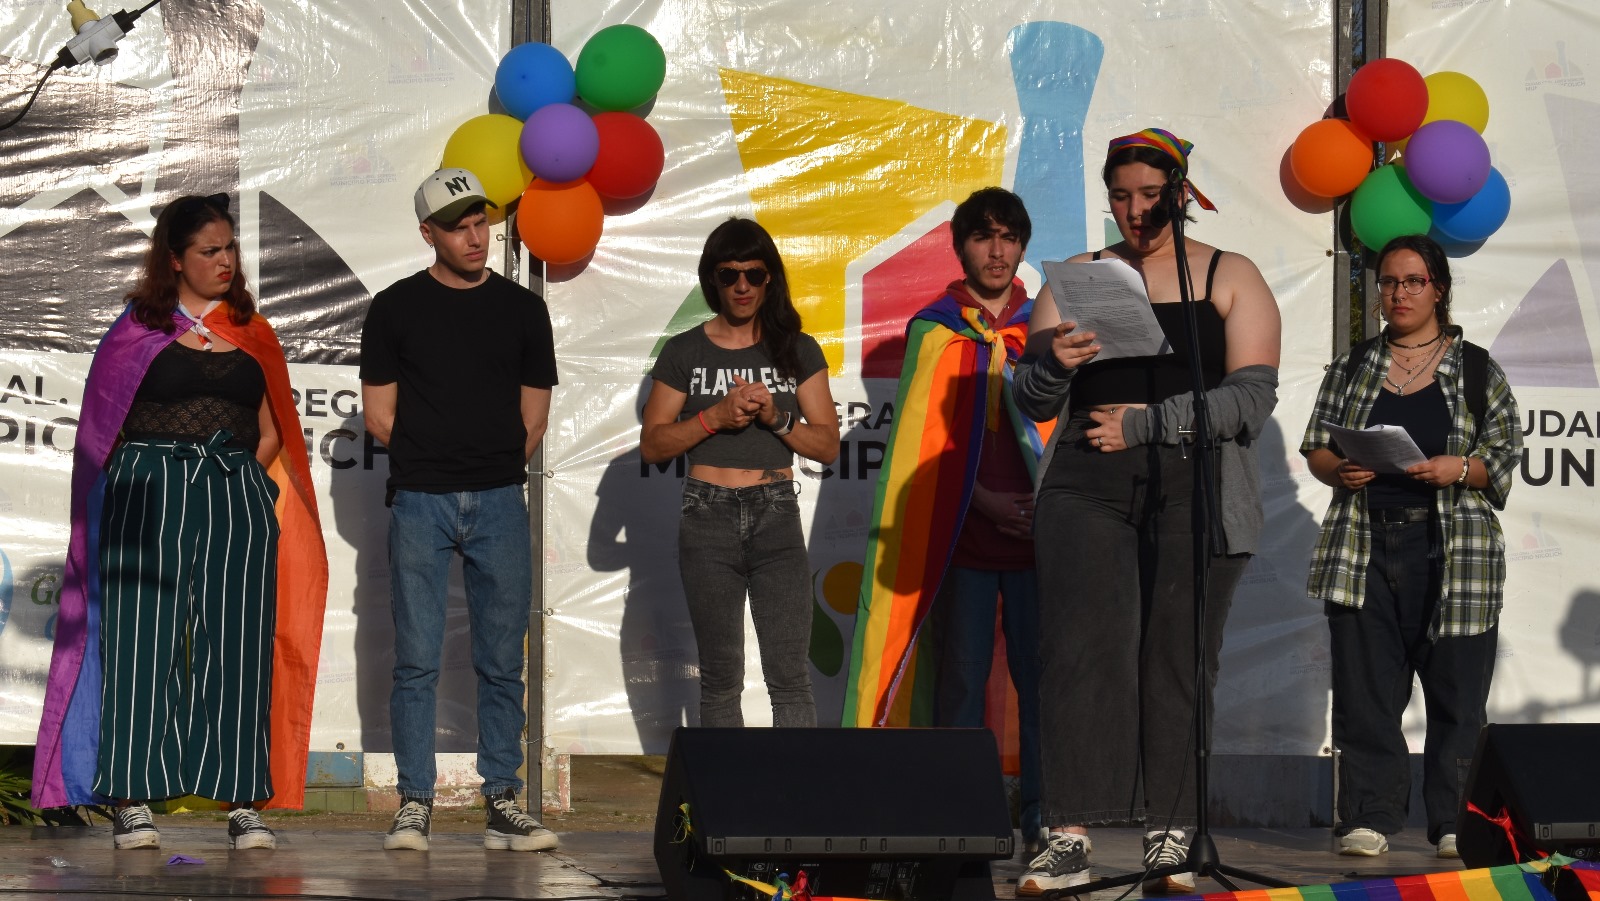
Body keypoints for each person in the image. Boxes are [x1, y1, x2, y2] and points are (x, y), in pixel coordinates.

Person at [1012, 128, 1281, 894]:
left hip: (1195, 488)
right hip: (1086, 487)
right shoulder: (1081, 278)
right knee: (1078, 652)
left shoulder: (1230, 275)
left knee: (1178, 659)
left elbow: (1252, 400)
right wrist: (1050, 364)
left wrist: (1148, 423)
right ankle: (1068, 834)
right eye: (1120, 196)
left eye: (1149, 195)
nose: (1134, 210)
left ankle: (1171, 834)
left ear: (1181, 194)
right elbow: (1028, 397)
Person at [31, 193, 328, 851]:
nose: (225, 261)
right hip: (147, 486)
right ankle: (132, 798)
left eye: (229, 249)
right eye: (209, 251)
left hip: (232, 489)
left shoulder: (253, 328)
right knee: (142, 641)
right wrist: (147, 482)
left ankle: (243, 799)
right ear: (176, 259)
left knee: (238, 642)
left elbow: (274, 429)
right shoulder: (137, 327)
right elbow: (102, 430)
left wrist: (237, 482)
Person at [842, 188, 1051, 853]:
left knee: (1042, 681)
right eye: (984, 237)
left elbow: (1064, 432)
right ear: (961, 246)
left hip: (1038, 542)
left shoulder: (1044, 328)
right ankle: (964, 813)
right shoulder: (935, 328)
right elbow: (921, 445)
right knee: (959, 681)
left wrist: (1045, 505)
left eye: (1009, 237)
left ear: (1022, 246)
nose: (997, 250)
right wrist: (982, 502)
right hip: (965, 537)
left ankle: (1046, 817)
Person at [1301, 234, 1520, 859]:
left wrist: (1461, 468)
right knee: (1366, 689)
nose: (1397, 294)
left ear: (1439, 289)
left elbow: (1503, 458)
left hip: (1454, 550)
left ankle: (1454, 820)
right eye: (1388, 283)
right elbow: (1318, 445)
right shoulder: (1352, 366)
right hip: (1363, 545)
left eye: (1412, 282)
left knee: (1456, 690)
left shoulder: (1476, 367)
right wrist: (1334, 470)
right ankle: (1370, 816)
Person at [361, 168, 559, 852]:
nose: (476, 237)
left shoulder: (524, 310)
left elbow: (533, 418)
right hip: (420, 500)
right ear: (429, 234)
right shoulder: (393, 308)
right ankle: (415, 801)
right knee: (416, 659)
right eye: (459, 226)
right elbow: (378, 414)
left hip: (501, 498)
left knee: (502, 657)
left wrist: (488, 459)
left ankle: (502, 798)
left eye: (482, 223)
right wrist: (437, 456)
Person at [640, 217, 839, 728]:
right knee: (721, 677)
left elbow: (827, 446)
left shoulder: (796, 348)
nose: (742, 286)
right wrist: (714, 418)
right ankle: (726, 807)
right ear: (713, 279)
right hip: (707, 513)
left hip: (776, 512)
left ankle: (794, 805)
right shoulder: (685, 350)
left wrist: (777, 418)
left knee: (789, 676)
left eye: (753, 273)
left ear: (770, 277)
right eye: (729, 275)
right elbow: (653, 444)